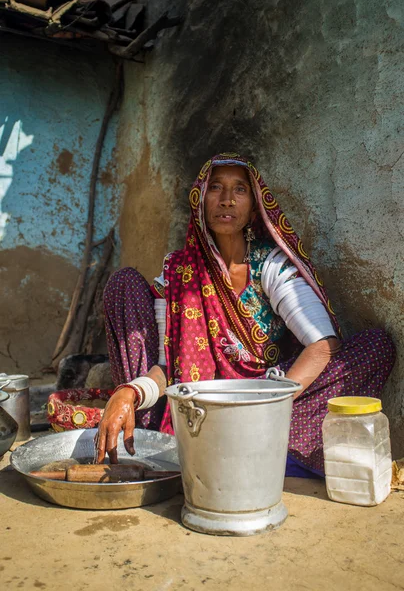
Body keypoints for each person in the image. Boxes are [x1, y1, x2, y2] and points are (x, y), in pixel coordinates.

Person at [95, 153, 395, 476]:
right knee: (122, 284)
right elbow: (169, 369)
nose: (226, 200)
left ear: (254, 207)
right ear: (199, 200)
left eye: (239, 190)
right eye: (216, 188)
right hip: (197, 416)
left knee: (375, 347)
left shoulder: (270, 265)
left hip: (268, 411)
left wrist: (261, 409)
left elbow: (323, 345)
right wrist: (131, 391)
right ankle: (155, 438)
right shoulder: (180, 274)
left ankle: (257, 453)